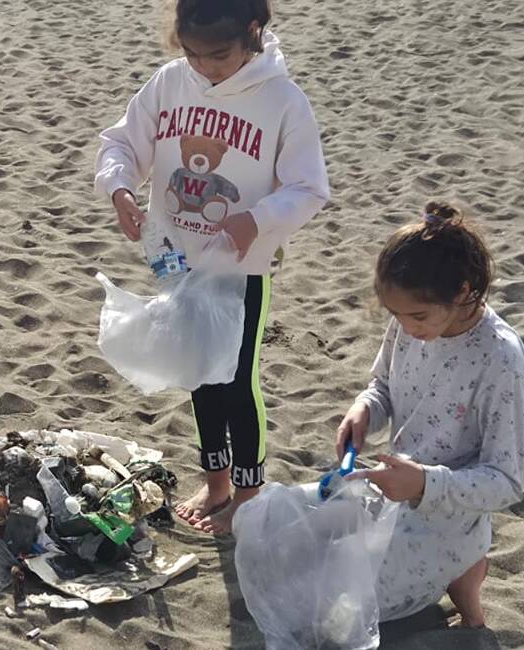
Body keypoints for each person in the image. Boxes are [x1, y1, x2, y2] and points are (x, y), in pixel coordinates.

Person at [94, 0, 329, 533]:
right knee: (198, 372)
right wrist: (119, 188)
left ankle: (248, 492)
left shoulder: (282, 100)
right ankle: (216, 482)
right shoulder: (170, 82)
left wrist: (257, 218)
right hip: (177, 260)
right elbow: (120, 143)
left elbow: (309, 187)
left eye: (218, 55)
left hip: (243, 268)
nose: (204, 67)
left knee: (237, 380)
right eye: (192, 53)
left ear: (253, 32)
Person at [338, 201, 524, 627]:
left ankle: (466, 567)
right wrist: (364, 410)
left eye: (417, 316)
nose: (407, 328)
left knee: (347, 607)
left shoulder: (501, 358)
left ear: (461, 292)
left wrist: (424, 483)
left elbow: (506, 481)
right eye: (396, 316)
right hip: (396, 493)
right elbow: (383, 386)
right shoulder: (412, 322)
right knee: (311, 560)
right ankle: (460, 573)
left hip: (450, 520)